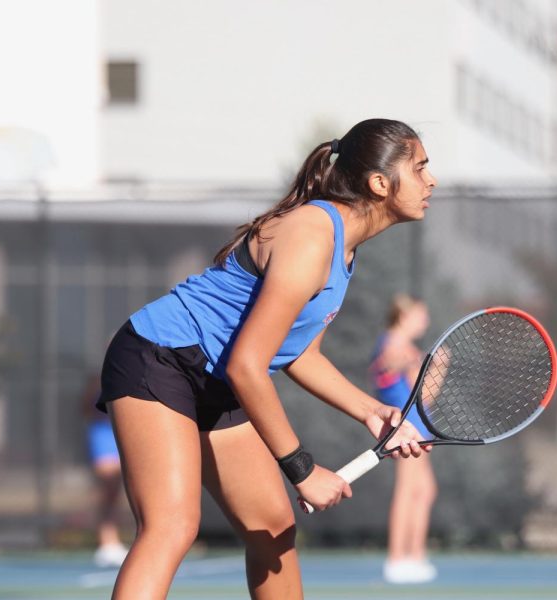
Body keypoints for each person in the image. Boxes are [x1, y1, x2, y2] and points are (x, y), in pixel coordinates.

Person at [96, 118, 438, 599]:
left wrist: (372, 410)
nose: (431, 181)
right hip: (159, 356)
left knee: (272, 527)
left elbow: (299, 354)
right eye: (421, 168)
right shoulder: (312, 235)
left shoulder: (343, 248)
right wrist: (301, 468)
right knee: (171, 526)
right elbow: (247, 365)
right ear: (380, 183)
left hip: (214, 374)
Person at [369, 295, 438, 584]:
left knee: (424, 491)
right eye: (420, 315)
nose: (425, 321)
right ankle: (398, 559)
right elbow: (417, 392)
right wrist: (429, 366)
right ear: (404, 317)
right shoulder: (392, 345)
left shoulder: (408, 350)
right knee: (408, 489)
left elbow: (425, 398)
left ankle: (414, 556)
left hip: (419, 429)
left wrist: (433, 368)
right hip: (405, 429)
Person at [81, 373, 130, 568]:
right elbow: (85, 407)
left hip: (123, 430)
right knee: (108, 489)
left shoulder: (133, 371)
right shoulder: (97, 378)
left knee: (117, 491)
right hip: (103, 434)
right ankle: (106, 543)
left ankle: (112, 541)